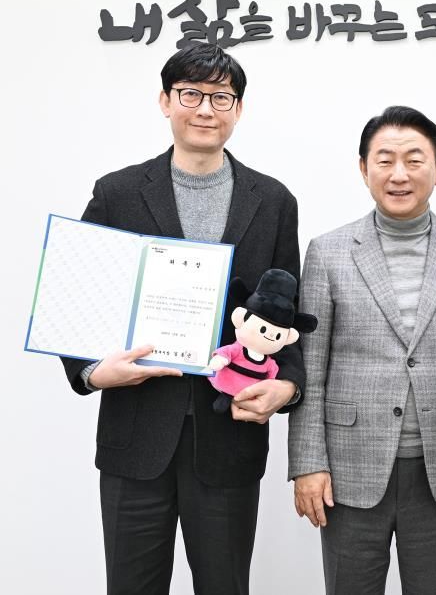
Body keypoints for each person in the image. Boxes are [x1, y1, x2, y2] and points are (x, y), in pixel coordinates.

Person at [60, 43, 305, 595]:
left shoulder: (273, 201)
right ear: (165, 101)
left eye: (221, 97)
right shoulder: (118, 193)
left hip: (228, 437)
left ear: (238, 109)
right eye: (191, 94)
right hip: (135, 433)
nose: (205, 109)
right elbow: (76, 295)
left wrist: (287, 387)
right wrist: (92, 372)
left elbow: (287, 310)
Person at [288, 106, 436, 595]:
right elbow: (311, 369)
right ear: (363, 168)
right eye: (385, 160)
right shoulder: (327, 252)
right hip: (348, 467)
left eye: (414, 159)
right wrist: (307, 463)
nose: (399, 174)